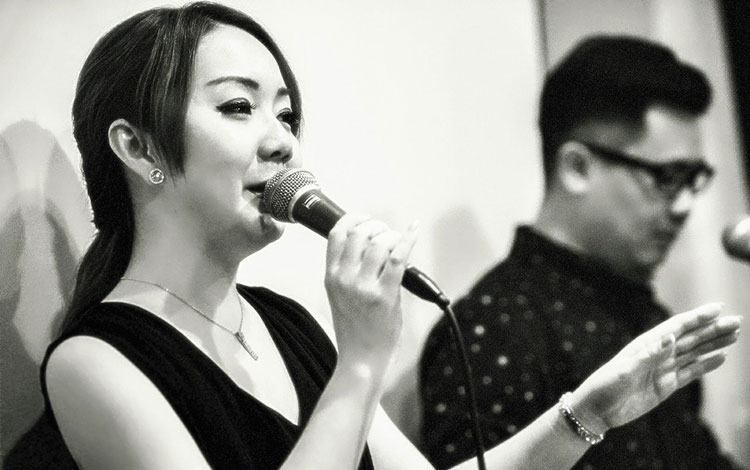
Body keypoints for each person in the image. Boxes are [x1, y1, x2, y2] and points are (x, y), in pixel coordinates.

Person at [4, 6, 741, 469]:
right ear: (138, 148)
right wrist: (360, 363)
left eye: (286, 115)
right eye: (238, 108)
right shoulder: (93, 364)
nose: (282, 142)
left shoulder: (284, 324)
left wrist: (588, 414)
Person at [419, 35, 745, 470]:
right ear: (577, 168)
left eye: (694, 178)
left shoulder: (647, 314)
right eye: (667, 176)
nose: (685, 205)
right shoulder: (492, 327)